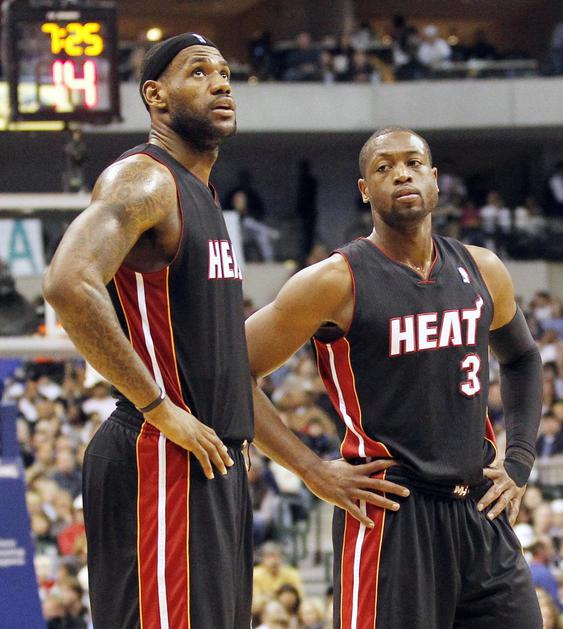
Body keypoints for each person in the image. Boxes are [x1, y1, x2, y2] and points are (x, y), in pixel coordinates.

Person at [43, 32, 382, 628]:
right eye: (199, 72)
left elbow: (226, 375)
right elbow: (68, 284)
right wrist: (157, 407)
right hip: (160, 456)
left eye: (224, 73)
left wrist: (310, 469)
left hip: (210, 464)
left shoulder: (201, 194)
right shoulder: (145, 180)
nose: (220, 83)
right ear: (156, 95)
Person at [246, 127, 543, 628]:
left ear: (435, 179)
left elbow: (523, 359)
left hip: (480, 511)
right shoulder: (334, 280)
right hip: (391, 512)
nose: (401, 174)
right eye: (384, 168)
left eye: (413, 163)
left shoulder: (483, 268)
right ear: (365, 190)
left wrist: (518, 461)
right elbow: (232, 369)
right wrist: (312, 470)